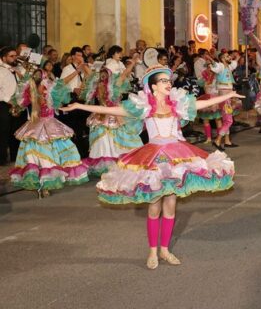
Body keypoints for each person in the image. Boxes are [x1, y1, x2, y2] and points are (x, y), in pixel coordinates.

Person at [61, 65, 241, 269]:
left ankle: (165, 250)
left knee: (171, 205)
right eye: (163, 81)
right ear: (153, 86)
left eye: (168, 80)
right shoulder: (144, 106)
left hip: (177, 157)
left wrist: (229, 95)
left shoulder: (178, 104)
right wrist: (80, 106)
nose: (168, 83)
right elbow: (112, 109)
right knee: (154, 205)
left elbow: (202, 104)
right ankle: (152, 252)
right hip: (154, 157)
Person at [10, 68, 88, 196]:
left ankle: (42, 182)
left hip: (40, 125)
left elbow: (61, 84)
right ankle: (44, 182)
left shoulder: (37, 91)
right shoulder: (42, 91)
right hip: (43, 125)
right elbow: (62, 84)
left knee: (38, 153)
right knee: (43, 153)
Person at [81, 61, 140, 175]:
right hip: (102, 115)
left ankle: (117, 159)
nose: (103, 77)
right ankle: (106, 162)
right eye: (101, 74)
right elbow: (90, 74)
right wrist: (83, 65)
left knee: (115, 137)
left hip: (114, 114)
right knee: (103, 138)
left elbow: (124, 74)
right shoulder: (97, 85)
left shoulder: (114, 84)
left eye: (105, 74)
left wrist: (132, 63)